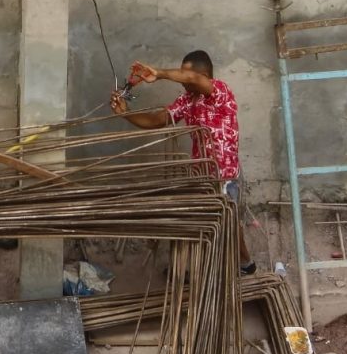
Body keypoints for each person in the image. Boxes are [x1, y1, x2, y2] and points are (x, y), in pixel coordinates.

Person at [109, 50, 256, 275]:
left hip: (224, 175)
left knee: (229, 225)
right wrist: (126, 114)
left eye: (186, 74)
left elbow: (193, 79)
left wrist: (159, 73)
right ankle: (200, 269)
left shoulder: (219, 92)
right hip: (202, 176)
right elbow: (158, 120)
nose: (183, 79)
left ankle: (244, 265)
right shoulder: (187, 101)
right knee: (207, 223)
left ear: (205, 75)